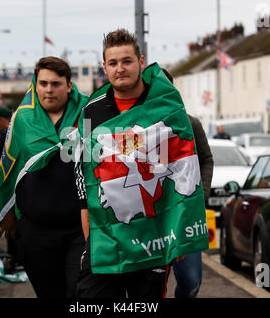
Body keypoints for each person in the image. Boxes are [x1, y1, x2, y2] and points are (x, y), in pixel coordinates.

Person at [75, 29, 208, 298]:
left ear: (141, 62)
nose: (120, 69)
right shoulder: (91, 110)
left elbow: (184, 166)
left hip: (153, 238)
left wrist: (178, 236)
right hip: (107, 239)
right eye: (113, 63)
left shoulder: (165, 104)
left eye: (127, 61)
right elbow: (84, 177)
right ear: (104, 67)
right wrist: (90, 241)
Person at [0, 57, 86, 298]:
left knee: (80, 293)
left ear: (69, 85)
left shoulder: (90, 113)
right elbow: (11, 167)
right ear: (35, 85)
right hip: (36, 230)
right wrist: (9, 211)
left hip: (82, 227)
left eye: (56, 84)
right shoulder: (22, 119)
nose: (48, 89)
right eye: (43, 83)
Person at [162, 68, 214, 298]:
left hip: (185, 214)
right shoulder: (137, 127)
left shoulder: (190, 124)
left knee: (191, 282)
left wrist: (201, 195)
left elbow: (206, 159)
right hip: (153, 216)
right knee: (148, 285)